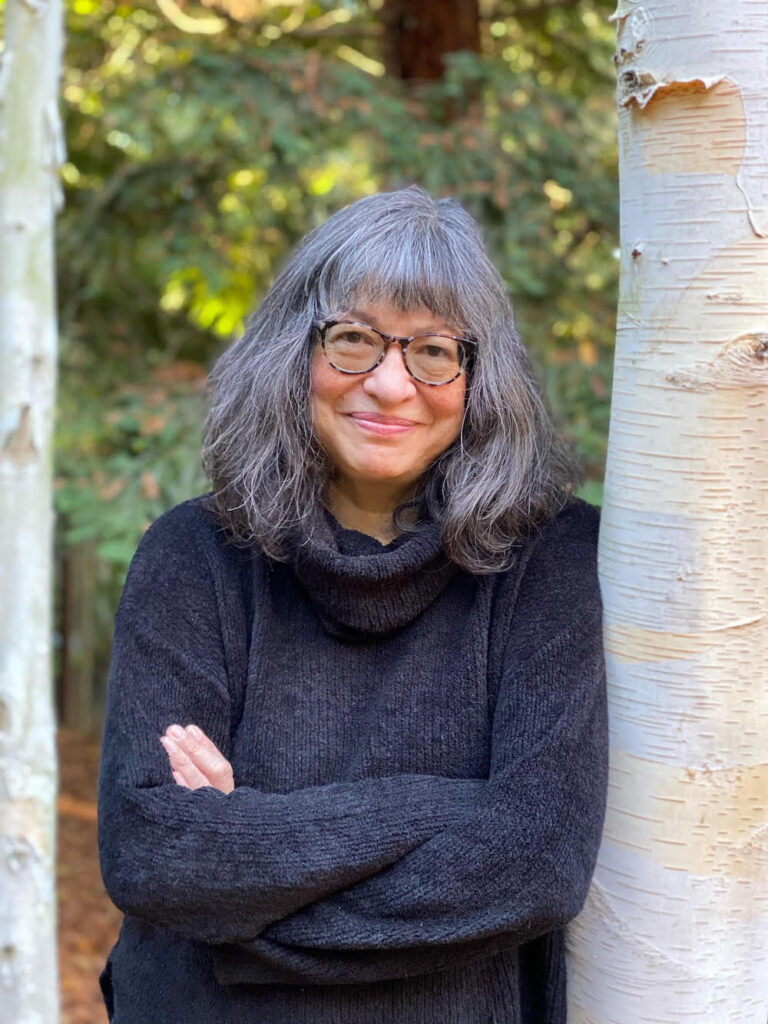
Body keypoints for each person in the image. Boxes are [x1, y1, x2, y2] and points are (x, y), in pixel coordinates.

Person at [97, 185, 608, 1024]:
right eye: (354, 340)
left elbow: (537, 860)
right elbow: (154, 855)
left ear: (480, 375)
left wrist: (246, 877)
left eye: (434, 351)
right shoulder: (192, 555)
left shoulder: (549, 561)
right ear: (295, 350)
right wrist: (448, 805)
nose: (390, 385)